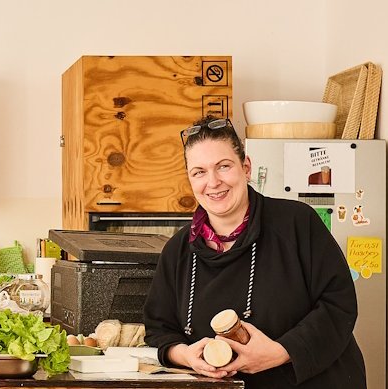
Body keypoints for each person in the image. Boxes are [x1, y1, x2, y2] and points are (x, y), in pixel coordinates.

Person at [142, 117, 367, 388]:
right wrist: (187, 356)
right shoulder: (177, 250)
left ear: (246, 167)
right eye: (199, 172)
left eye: (223, 166)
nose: (212, 182)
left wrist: (281, 353)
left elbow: (338, 305)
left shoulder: (296, 222)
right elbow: (160, 330)